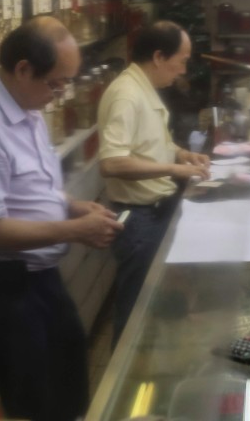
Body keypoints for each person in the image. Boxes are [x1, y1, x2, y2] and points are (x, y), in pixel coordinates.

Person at [0, 16, 123, 421]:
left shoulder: (27, 107)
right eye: (56, 83)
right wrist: (74, 230)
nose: (61, 93)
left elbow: (32, 188)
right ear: (23, 69)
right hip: (6, 291)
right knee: (30, 402)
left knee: (67, 384)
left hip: (40, 280)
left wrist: (73, 207)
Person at [98, 20, 211, 343]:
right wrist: (175, 171)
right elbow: (112, 162)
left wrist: (181, 154)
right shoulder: (126, 94)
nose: (183, 69)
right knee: (136, 308)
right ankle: (121, 382)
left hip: (154, 212)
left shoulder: (143, 88)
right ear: (159, 56)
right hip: (137, 219)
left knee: (152, 303)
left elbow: (146, 143)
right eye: (182, 60)